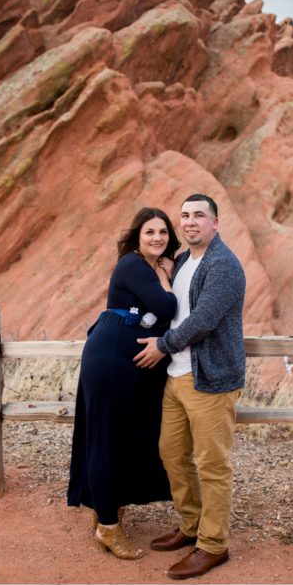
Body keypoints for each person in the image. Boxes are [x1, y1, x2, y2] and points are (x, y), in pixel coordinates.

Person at [134, 193, 246, 580]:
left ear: (215, 223)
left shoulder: (223, 265)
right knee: (171, 453)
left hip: (211, 380)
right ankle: (191, 524)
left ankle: (214, 545)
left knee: (213, 465)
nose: (190, 221)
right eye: (185, 215)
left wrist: (161, 346)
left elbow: (203, 320)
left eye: (200, 215)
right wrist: (166, 268)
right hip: (177, 377)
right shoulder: (183, 261)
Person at [67, 206, 181, 559]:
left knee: (124, 436)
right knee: (107, 437)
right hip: (113, 359)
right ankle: (108, 527)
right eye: (150, 232)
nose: (157, 238)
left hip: (127, 361)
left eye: (163, 232)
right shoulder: (134, 264)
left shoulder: (147, 265)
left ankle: (108, 507)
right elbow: (165, 306)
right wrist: (166, 277)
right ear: (137, 236)